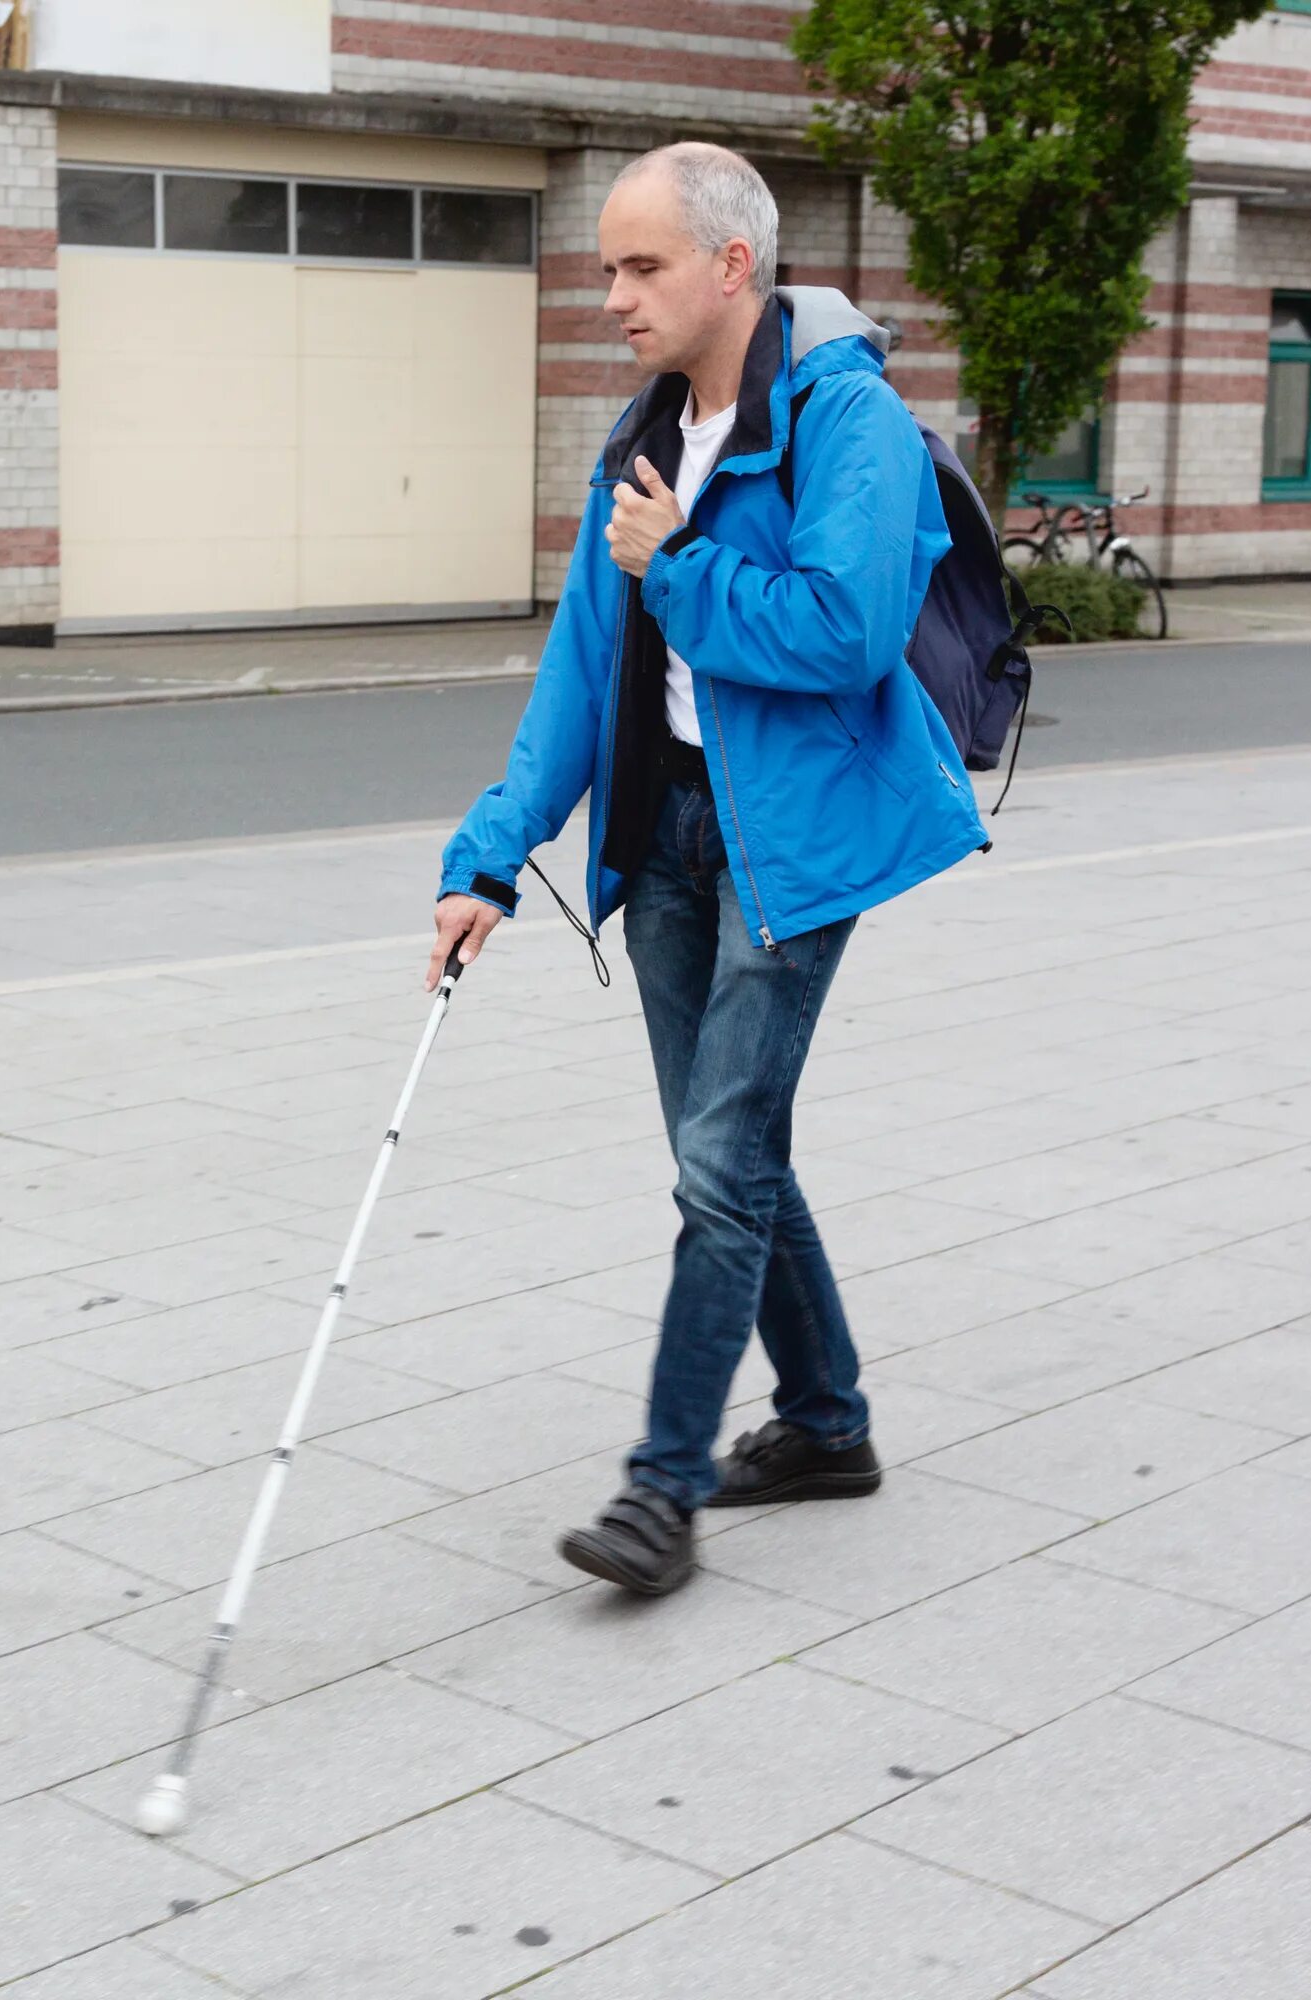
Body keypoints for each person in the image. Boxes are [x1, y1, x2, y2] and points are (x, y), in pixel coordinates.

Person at [428, 142, 985, 1596]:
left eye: (640, 266)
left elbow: (842, 634)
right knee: (723, 1156)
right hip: (665, 835)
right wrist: (488, 859)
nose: (612, 296)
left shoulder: (842, 421)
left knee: (722, 1164)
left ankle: (660, 1494)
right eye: (607, 268)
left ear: (732, 265)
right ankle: (827, 1425)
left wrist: (676, 564)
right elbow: (581, 666)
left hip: (792, 842)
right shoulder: (643, 439)